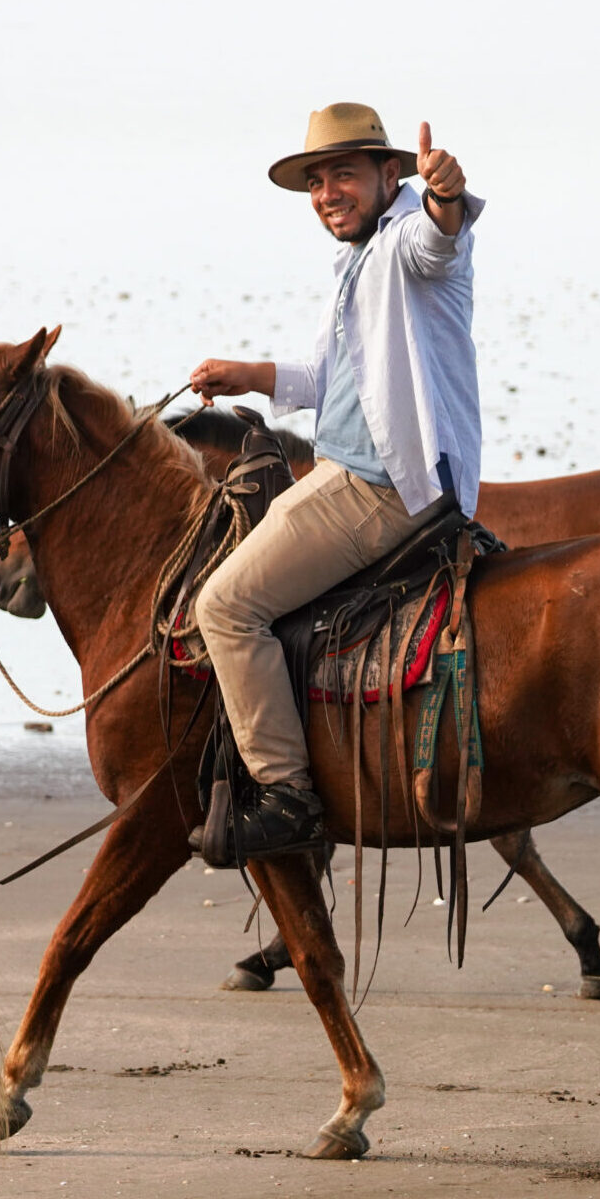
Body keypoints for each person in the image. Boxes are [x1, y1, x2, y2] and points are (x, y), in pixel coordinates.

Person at [189, 102, 484, 860]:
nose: (326, 194)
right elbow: (326, 374)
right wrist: (246, 374)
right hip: (341, 472)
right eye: (316, 181)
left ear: (392, 174)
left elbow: (439, 245)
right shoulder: (358, 258)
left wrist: (446, 194)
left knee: (223, 604)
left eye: (343, 175)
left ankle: (285, 791)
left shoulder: (408, 239)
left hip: (378, 486)